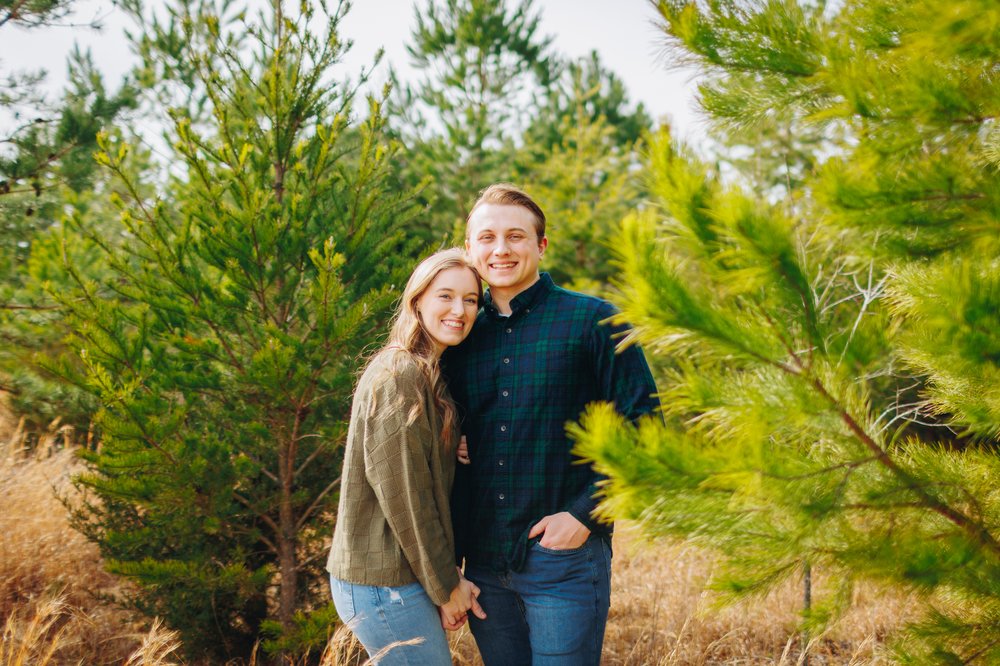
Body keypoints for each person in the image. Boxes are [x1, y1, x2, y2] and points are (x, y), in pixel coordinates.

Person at [444, 184, 659, 665]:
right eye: (487, 237)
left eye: (515, 236)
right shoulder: (457, 335)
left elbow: (645, 427)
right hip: (482, 563)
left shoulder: (595, 322)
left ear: (541, 245)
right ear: (471, 249)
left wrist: (585, 515)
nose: (501, 249)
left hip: (562, 560)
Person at [327, 248, 488, 665]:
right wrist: (447, 586)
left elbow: (417, 468)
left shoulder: (428, 375)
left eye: (470, 299)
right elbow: (408, 500)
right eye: (445, 296)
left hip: (402, 576)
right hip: (384, 582)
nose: (459, 310)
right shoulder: (400, 375)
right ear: (417, 300)